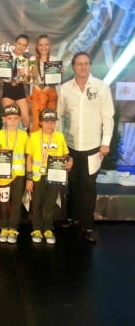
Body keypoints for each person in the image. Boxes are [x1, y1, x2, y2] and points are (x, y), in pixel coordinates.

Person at [57, 52, 114, 243]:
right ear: (73, 66)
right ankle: (72, 217)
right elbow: (59, 116)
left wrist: (106, 142)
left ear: (90, 65)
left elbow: (108, 117)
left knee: (88, 186)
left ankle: (88, 226)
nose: (83, 67)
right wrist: (59, 144)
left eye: (86, 63)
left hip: (93, 147)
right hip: (71, 146)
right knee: (73, 183)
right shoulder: (65, 89)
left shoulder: (101, 87)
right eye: (79, 64)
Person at [25, 108, 73, 244]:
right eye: (46, 121)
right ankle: (36, 228)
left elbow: (65, 155)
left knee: (50, 203)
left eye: (52, 121)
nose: (50, 124)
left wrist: (70, 161)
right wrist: (29, 178)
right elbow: (29, 158)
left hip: (55, 176)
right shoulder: (34, 136)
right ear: (40, 122)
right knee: (37, 203)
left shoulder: (59, 136)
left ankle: (48, 228)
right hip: (37, 176)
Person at [0, 104, 28, 244]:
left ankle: (13, 228)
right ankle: (4, 227)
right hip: (2, 176)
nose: (12, 121)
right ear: (4, 119)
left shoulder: (24, 135)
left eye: (15, 118)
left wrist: (29, 177)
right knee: (3, 203)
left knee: (16, 203)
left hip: (19, 175)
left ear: (19, 119)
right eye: (9, 118)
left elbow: (28, 155)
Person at [28, 34, 59, 132]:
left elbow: (57, 81)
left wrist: (59, 73)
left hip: (50, 94)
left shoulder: (54, 60)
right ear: (37, 46)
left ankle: (50, 141)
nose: (43, 47)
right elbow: (31, 80)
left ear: (50, 46)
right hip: (37, 93)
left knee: (50, 120)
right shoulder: (32, 60)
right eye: (41, 45)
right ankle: (36, 141)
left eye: (46, 44)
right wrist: (30, 74)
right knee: (36, 121)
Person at [0, 34, 30, 129]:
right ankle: (7, 137)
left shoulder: (26, 60)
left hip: (20, 89)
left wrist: (24, 75)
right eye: (19, 44)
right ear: (15, 43)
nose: (21, 47)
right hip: (7, 89)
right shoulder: (5, 57)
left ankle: (24, 137)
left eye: (24, 45)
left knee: (25, 120)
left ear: (26, 47)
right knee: (7, 118)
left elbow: (27, 81)